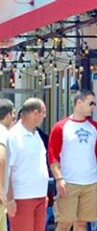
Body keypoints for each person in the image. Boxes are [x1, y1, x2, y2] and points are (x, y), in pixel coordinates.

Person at [49, 90, 97, 231]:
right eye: (91, 103)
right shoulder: (60, 127)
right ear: (79, 102)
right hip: (68, 182)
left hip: (91, 182)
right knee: (64, 223)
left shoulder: (95, 127)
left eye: (95, 104)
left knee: (82, 223)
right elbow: (52, 156)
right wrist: (59, 179)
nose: (93, 107)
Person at [7, 98, 48, 231]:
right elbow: (6, 170)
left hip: (40, 196)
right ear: (35, 113)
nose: (45, 116)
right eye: (43, 112)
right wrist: (10, 199)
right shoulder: (13, 136)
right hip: (21, 198)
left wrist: (44, 194)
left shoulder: (36, 134)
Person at [0, 99, 16, 231]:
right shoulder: (2, 132)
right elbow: (1, 158)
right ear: (8, 115)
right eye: (14, 113)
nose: (15, 118)